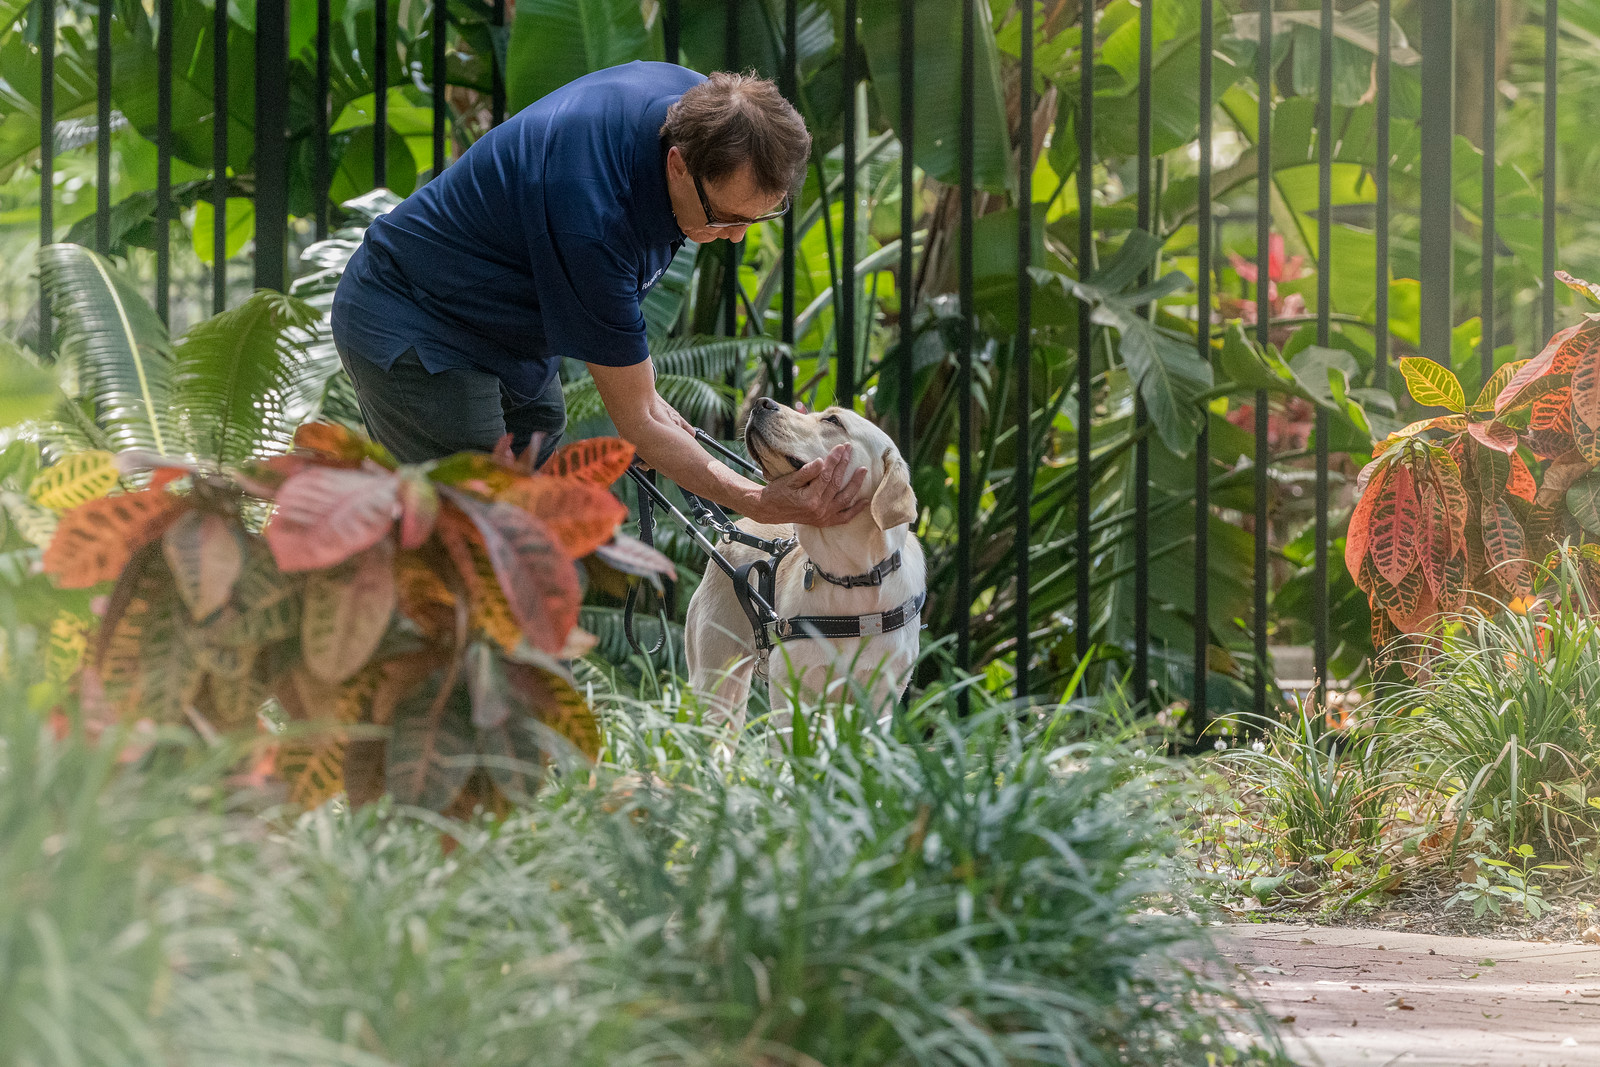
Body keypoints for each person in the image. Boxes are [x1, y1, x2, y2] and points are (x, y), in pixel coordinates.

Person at [330, 61, 866, 527]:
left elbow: (645, 409)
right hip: (415, 322)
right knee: (480, 528)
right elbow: (637, 425)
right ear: (678, 164)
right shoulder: (593, 218)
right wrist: (756, 501)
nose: (738, 235)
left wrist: (656, 415)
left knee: (538, 470)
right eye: (725, 217)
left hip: (503, 328)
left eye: (759, 216)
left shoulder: (706, 108)